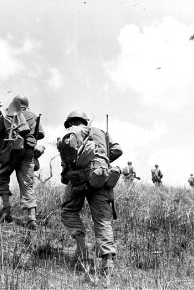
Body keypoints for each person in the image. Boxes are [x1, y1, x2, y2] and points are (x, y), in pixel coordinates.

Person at [59, 110, 123, 275]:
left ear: (70, 122)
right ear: (84, 120)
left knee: (68, 211)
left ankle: (82, 250)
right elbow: (118, 150)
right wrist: (102, 158)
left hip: (79, 178)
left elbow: (67, 158)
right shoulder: (101, 132)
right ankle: (107, 265)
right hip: (100, 177)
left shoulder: (71, 132)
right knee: (103, 220)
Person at [0, 94, 45, 230]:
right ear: (27, 104)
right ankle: (31, 218)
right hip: (27, 152)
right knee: (27, 183)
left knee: (1, 179)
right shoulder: (33, 115)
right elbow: (41, 134)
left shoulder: (8, 113)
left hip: (9, 151)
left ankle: (6, 211)